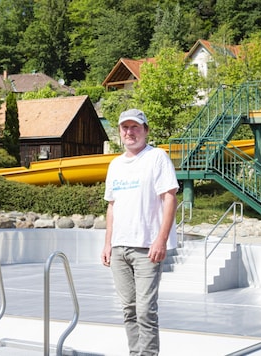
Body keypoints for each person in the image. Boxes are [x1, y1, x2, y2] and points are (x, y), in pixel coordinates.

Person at [101, 108, 179, 356]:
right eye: (125, 127)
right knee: (129, 310)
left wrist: (161, 239)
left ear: (145, 130)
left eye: (135, 127)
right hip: (119, 248)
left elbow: (170, 198)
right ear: (119, 133)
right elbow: (111, 206)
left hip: (147, 247)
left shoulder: (157, 157)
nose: (129, 132)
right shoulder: (115, 165)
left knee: (146, 310)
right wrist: (107, 244)